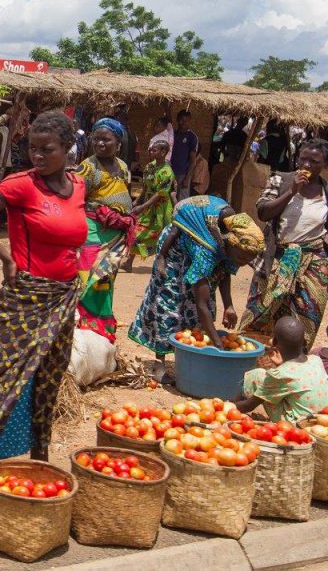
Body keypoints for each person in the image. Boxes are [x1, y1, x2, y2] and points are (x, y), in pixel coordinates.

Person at [0, 112, 87, 461]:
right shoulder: (22, 184)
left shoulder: (79, 187)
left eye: (48, 150)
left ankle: (40, 452)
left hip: (63, 295)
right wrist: (6, 257)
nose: (38, 157)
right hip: (26, 295)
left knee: (48, 375)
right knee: (3, 376)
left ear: (67, 148)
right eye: (33, 149)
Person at [239, 138, 328, 346]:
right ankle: (252, 362)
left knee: (305, 318)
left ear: (324, 165)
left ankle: (292, 366)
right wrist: (291, 192)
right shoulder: (280, 181)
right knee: (259, 313)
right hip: (278, 257)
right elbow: (263, 211)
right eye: (302, 159)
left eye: (313, 162)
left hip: (314, 262)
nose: (306, 165)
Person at [129, 196, 264, 381]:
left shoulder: (232, 241)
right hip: (175, 250)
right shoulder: (206, 251)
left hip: (203, 238)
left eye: (246, 262)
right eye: (240, 259)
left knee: (194, 306)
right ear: (231, 245)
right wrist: (219, 346)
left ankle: (187, 357)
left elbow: (224, 270)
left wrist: (229, 306)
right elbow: (202, 304)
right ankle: (159, 364)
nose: (241, 265)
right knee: (170, 301)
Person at [75, 118, 137, 342]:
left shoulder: (122, 166)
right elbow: (77, 201)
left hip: (116, 235)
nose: (100, 143)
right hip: (93, 231)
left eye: (106, 139)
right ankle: (84, 327)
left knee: (106, 281)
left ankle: (100, 328)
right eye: (96, 138)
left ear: (118, 143)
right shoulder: (88, 167)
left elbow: (124, 191)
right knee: (89, 278)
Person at [238, 317, 328, 423]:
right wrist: (281, 364)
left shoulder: (280, 374)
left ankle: (234, 409)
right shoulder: (316, 360)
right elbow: (293, 376)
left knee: (256, 375)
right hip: (324, 423)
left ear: (274, 342)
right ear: (304, 342)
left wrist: (227, 406)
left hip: (298, 428)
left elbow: (249, 405)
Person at [132, 139, 176, 259]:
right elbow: (145, 187)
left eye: (154, 150)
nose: (150, 151)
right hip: (147, 205)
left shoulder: (167, 172)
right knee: (137, 231)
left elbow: (160, 194)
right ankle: (130, 261)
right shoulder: (149, 167)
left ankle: (163, 260)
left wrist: (142, 206)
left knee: (161, 236)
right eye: (150, 149)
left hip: (160, 209)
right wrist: (137, 201)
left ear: (163, 152)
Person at [170, 110, 198, 200]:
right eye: (181, 120)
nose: (183, 123)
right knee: (168, 197)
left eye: (186, 120)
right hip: (170, 171)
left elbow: (193, 160)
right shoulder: (172, 134)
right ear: (177, 120)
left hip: (183, 174)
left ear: (190, 121)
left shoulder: (192, 137)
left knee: (182, 199)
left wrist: (187, 178)